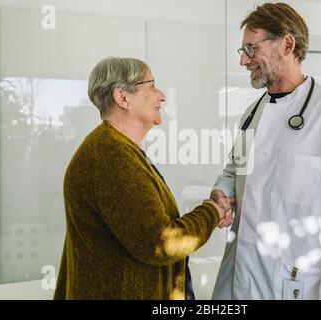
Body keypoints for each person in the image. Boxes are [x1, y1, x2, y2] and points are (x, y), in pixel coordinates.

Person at [211, 2, 321, 300]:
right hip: (237, 280)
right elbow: (233, 171)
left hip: (291, 285)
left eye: (250, 49)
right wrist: (221, 191)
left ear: (287, 43)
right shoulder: (251, 114)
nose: (243, 62)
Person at [53, 57, 229, 300]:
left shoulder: (115, 149)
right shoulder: (109, 157)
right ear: (123, 98)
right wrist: (212, 211)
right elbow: (161, 243)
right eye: (152, 86)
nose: (162, 96)